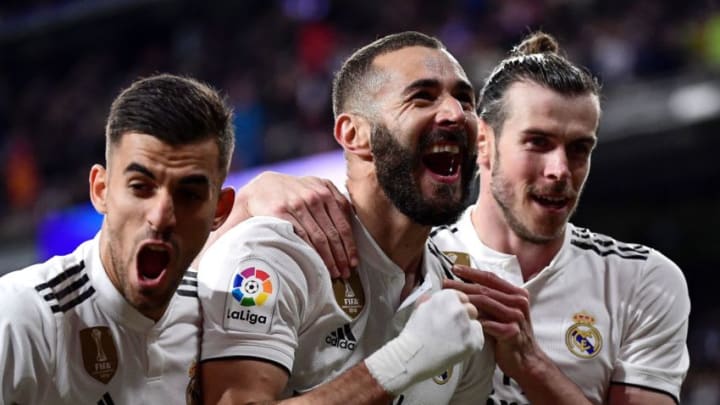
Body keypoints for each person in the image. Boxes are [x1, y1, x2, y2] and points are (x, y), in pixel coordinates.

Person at [227, 32, 690, 405]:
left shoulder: (640, 279)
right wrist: (243, 205)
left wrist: (530, 363)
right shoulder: (405, 265)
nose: (559, 171)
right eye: (537, 143)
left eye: (579, 149)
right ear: (483, 143)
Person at [197, 31, 493, 404]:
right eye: (422, 97)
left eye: (465, 100)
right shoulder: (274, 255)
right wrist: (406, 359)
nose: (455, 114)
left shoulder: (461, 302)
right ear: (355, 134)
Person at [0, 73, 236, 404]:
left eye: (189, 194)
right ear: (101, 190)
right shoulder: (21, 316)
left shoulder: (225, 319)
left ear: (219, 210)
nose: (161, 216)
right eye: (140, 187)